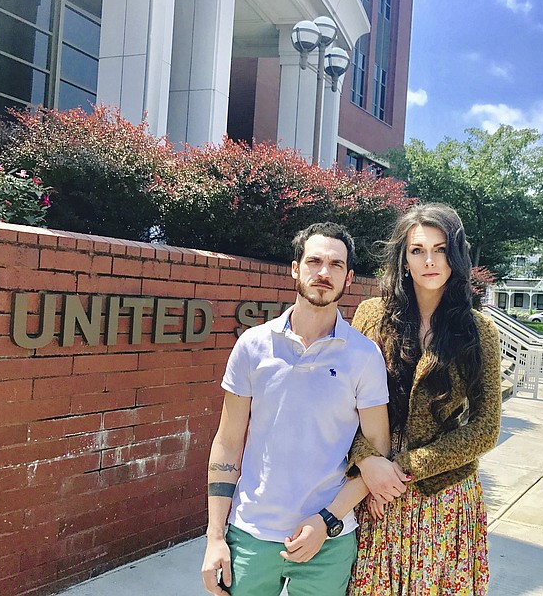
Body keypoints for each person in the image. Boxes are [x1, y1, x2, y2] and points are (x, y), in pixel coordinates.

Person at [201, 222, 408, 596]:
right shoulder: (253, 345)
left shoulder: (364, 355)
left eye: (336, 265)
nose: (324, 273)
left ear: (349, 278)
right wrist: (216, 537)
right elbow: (228, 443)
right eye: (314, 261)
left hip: (329, 542)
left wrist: (328, 521)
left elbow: (377, 453)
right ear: (295, 268)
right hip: (251, 536)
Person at [346, 203, 502, 595]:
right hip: (375, 494)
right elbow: (345, 402)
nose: (429, 260)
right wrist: (365, 461)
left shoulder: (478, 331)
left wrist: (402, 469)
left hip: (444, 499)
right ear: (404, 260)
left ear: (456, 256)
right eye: (418, 250)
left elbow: (485, 428)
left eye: (441, 248)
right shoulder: (370, 316)